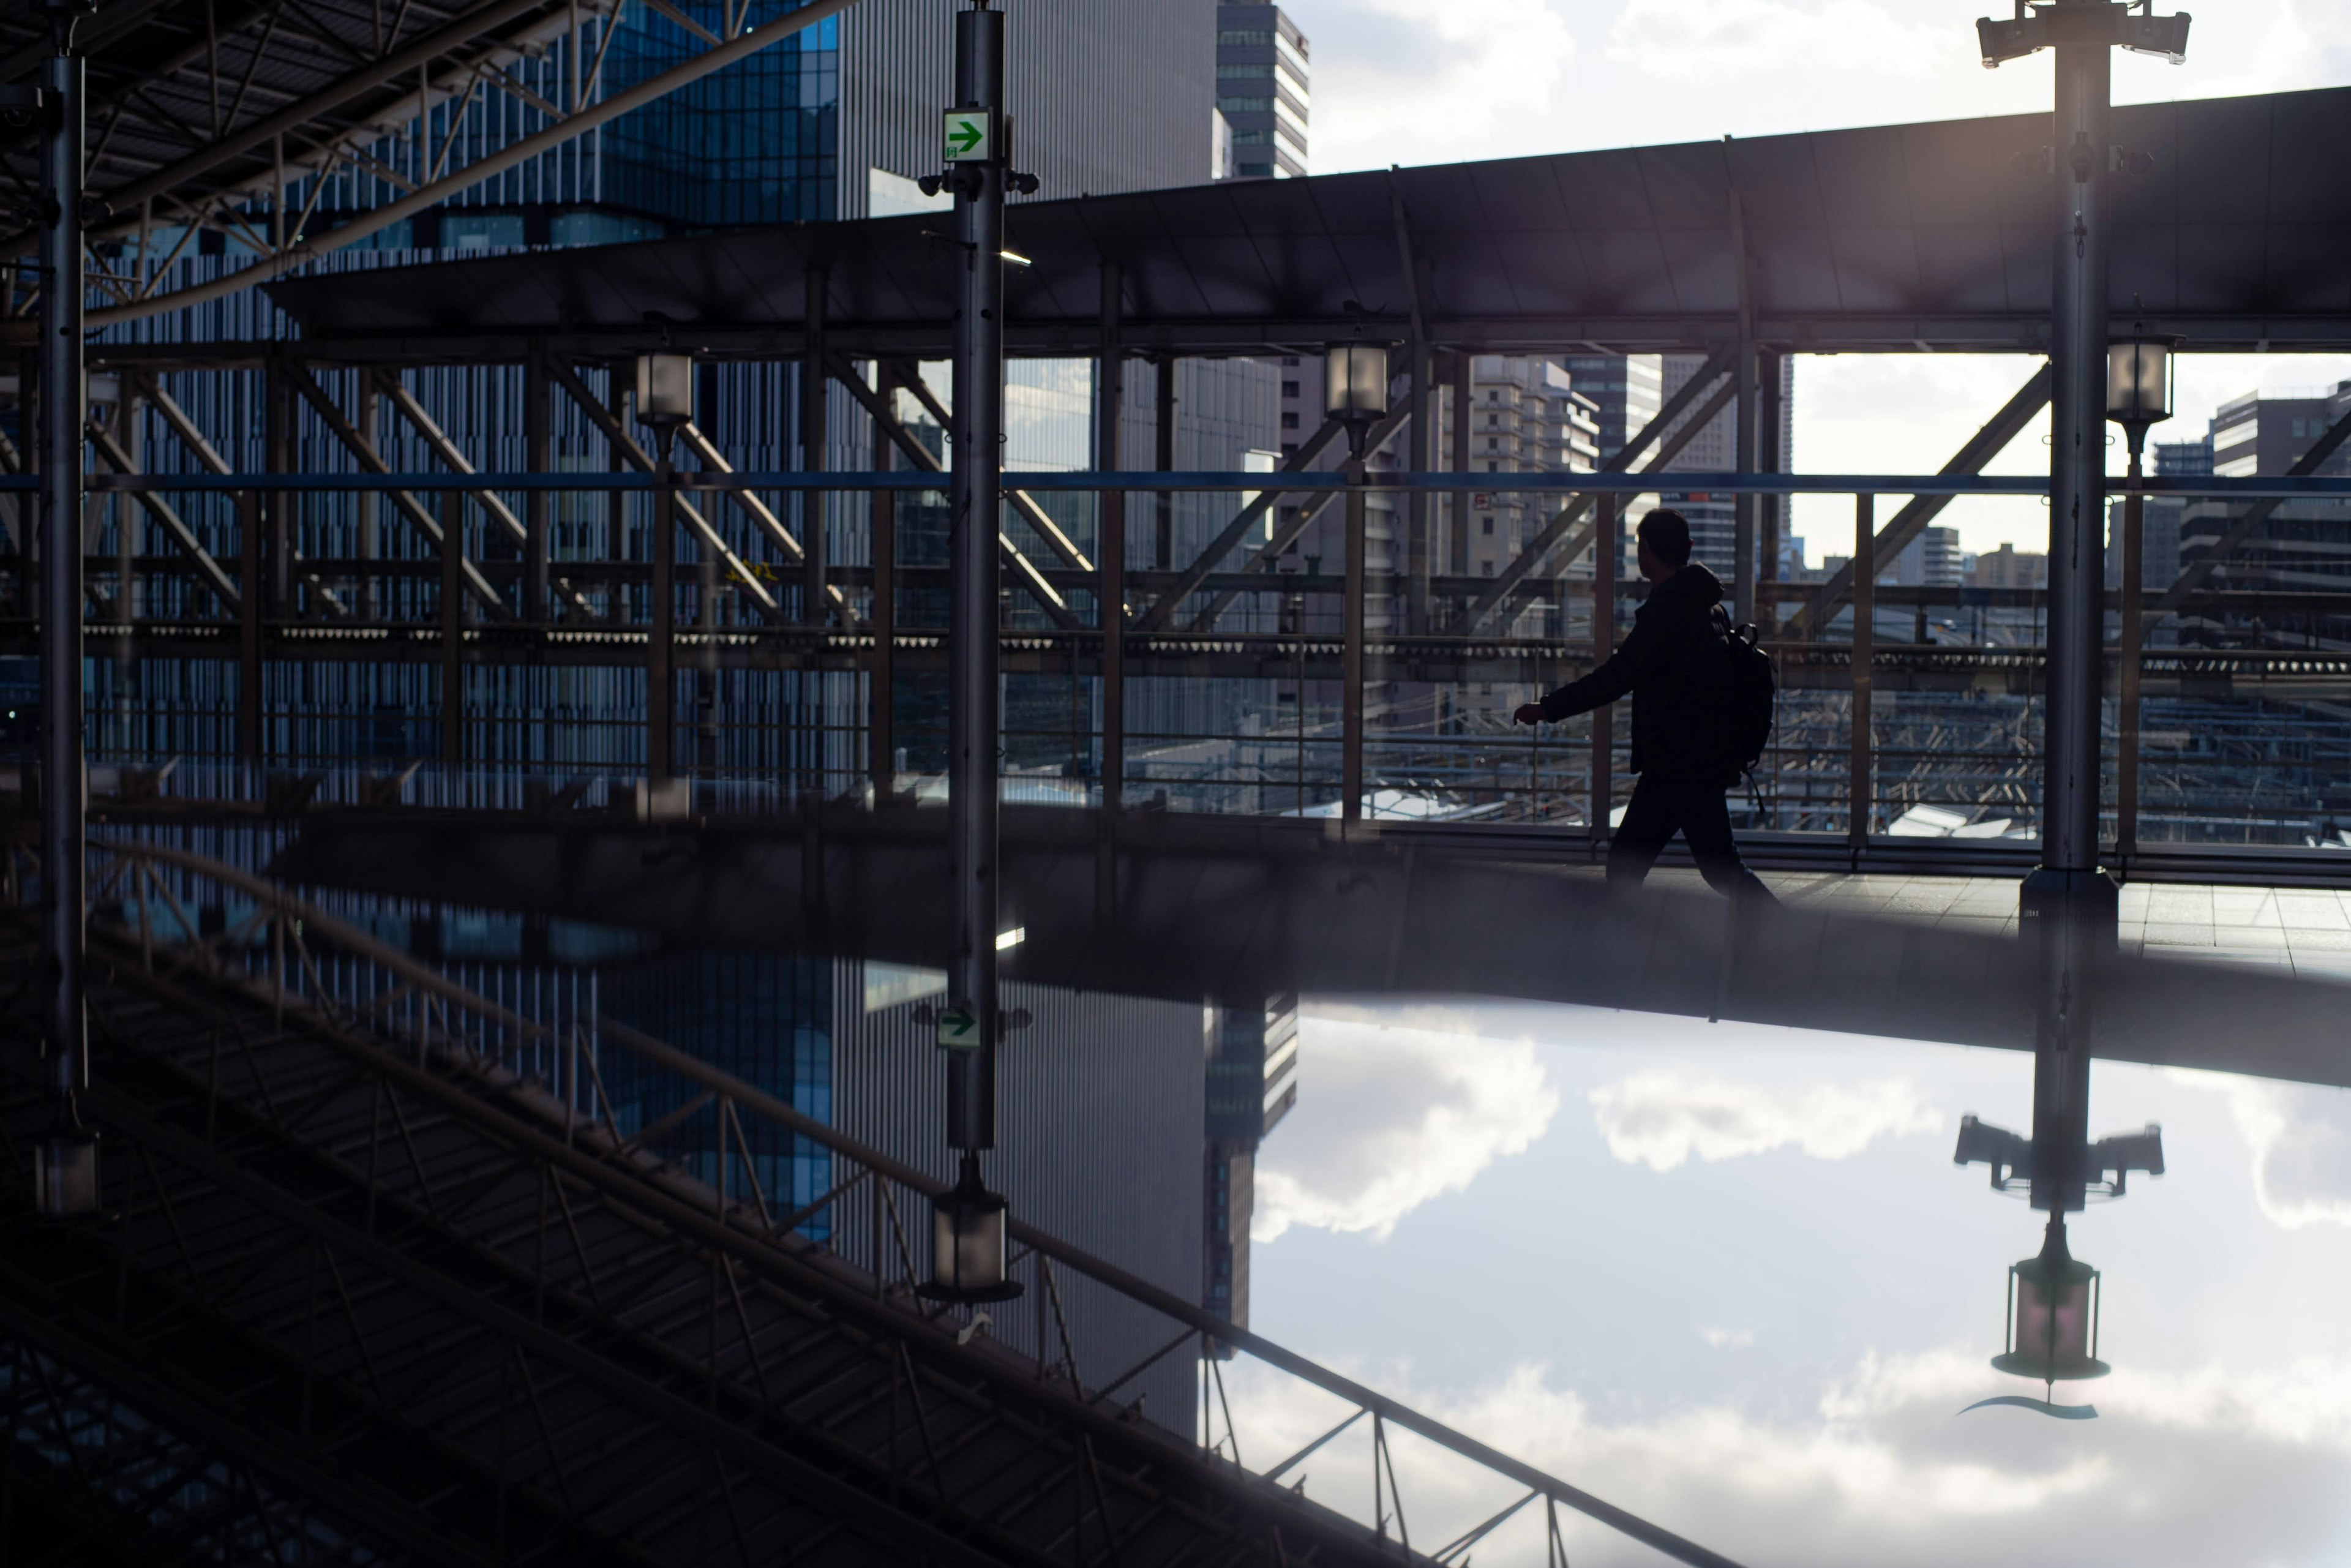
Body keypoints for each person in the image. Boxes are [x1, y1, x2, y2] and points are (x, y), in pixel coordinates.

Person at [1512, 508, 1777, 908]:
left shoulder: (1667, 613)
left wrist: (1547, 708)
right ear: (1687, 548)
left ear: (1647, 551)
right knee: (1717, 866)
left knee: (1636, 866)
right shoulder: (1710, 608)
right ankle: (1772, 928)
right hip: (1698, 760)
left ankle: (1626, 951)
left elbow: (1616, 678)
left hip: (1676, 764)